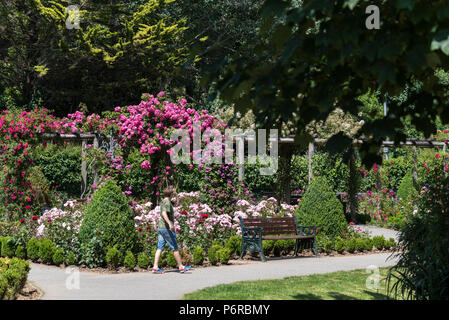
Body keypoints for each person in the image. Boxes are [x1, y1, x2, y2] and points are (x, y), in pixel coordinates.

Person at [152, 186, 191, 274]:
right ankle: (181, 266)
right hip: (166, 228)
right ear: (170, 194)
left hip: (161, 228)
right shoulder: (167, 203)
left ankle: (155, 266)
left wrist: (176, 195)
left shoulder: (165, 201)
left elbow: (176, 203)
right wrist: (169, 223)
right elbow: (164, 213)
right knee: (175, 247)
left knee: (160, 247)